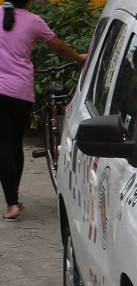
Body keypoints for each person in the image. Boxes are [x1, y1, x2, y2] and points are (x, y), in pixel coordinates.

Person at [0, 0, 86, 221]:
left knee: (3, 144)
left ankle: (11, 203)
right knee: (15, 143)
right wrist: (78, 58)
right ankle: (14, 199)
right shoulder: (33, 21)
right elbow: (57, 46)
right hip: (20, 93)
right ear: (28, 1)